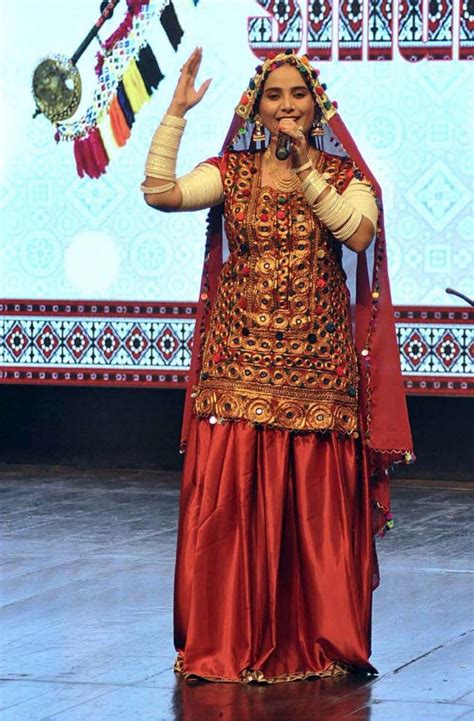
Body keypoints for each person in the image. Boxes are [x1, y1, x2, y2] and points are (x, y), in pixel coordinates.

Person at [141, 47, 414, 684]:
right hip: (237, 365)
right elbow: (161, 193)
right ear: (256, 108)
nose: (286, 105)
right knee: (231, 510)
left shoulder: (350, 181)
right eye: (274, 95)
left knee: (313, 514)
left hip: (318, 368)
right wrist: (176, 113)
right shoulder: (230, 173)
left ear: (316, 107)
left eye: (298, 95)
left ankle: (317, 641)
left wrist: (309, 169)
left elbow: (356, 234)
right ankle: (226, 640)